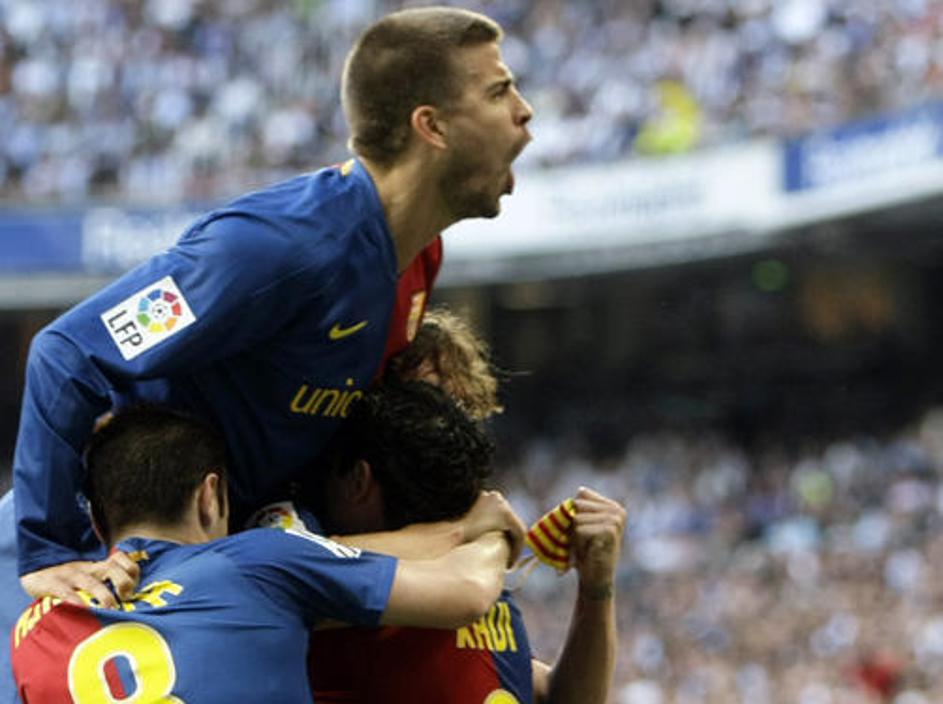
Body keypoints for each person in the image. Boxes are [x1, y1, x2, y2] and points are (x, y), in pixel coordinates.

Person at [9, 5, 532, 602]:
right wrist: (50, 551)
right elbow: (69, 352)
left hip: (220, 552)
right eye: (499, 92)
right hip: (99, 564)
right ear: (431, 127)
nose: (525, 111)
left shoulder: (418, 257)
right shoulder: (275, 249)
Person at [10, 406, 516, 703]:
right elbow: (468, 591)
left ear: (98, 526)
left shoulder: (37, 626)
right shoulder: (257, 561)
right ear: (211, 497)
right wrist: (492, 532)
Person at [258, 379, 624, 704]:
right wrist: (470, 533)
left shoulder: (476, 565)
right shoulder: (335, 583)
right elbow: (287, 564)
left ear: (357, 480)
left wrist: (596, 591)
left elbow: (558, 696)